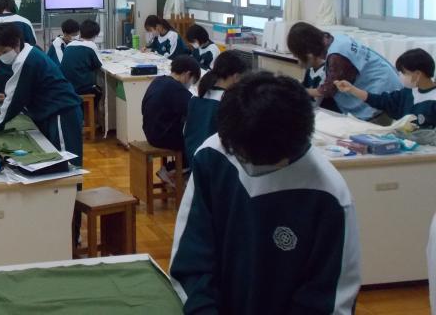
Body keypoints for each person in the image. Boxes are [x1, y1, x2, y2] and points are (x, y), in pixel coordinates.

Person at [170, 72, 361, 314]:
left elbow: (329, 298)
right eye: (243, 158)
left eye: (268, 164)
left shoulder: (329, 194)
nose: (252, 169)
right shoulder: (214, 156)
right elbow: (191, 261)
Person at [0, 23, 83, 166]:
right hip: (52, 111)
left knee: (67, 162)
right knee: (53, 158)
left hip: (61, 113)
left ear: (16, 43)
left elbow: (14, 99)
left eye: (4, 51)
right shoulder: (28, 51)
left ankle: (74, 181)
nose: (1, 57)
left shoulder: (25, 60)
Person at [287, 22, 402, 121]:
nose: (298, 60)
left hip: (381, 90)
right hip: (385, 79)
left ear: (308, 53)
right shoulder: (336, 39)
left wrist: (299, 90)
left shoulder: (337, 57)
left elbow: (326, 90)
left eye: (297, 56)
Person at [335, 48, 436, 128]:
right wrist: (352, 89)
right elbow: (381, 100)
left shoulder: (433, 99)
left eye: (405, 73)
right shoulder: (407, 93)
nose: (402, 76)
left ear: (418, 74)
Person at [141, 55, 201, 183]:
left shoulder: (159, 80)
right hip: (163, 136)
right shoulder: (177, 89)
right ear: (187, 74)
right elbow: (195, 111)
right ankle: (173, 171)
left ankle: (174, 169)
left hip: (150, 131)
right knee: (197, 138)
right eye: (192, 81)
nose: (190, 85)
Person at [184, 50, 247, 160]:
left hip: (192, 155)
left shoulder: (196, 97)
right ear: (236, 77)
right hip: (213, 159)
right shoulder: (228, 102)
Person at [0, 0, 38, 93]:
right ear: (14, 7)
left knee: (2, 98)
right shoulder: (25, 22)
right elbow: (32, 44)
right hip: (23, 70)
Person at [60, 20, 103, 100]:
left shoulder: (69, 45)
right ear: (95, 35)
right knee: (99, 91)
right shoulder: (91, 45)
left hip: (66, 86)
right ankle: (88, 108)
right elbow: (99, 65)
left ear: (80, 32)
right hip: (81, 88)